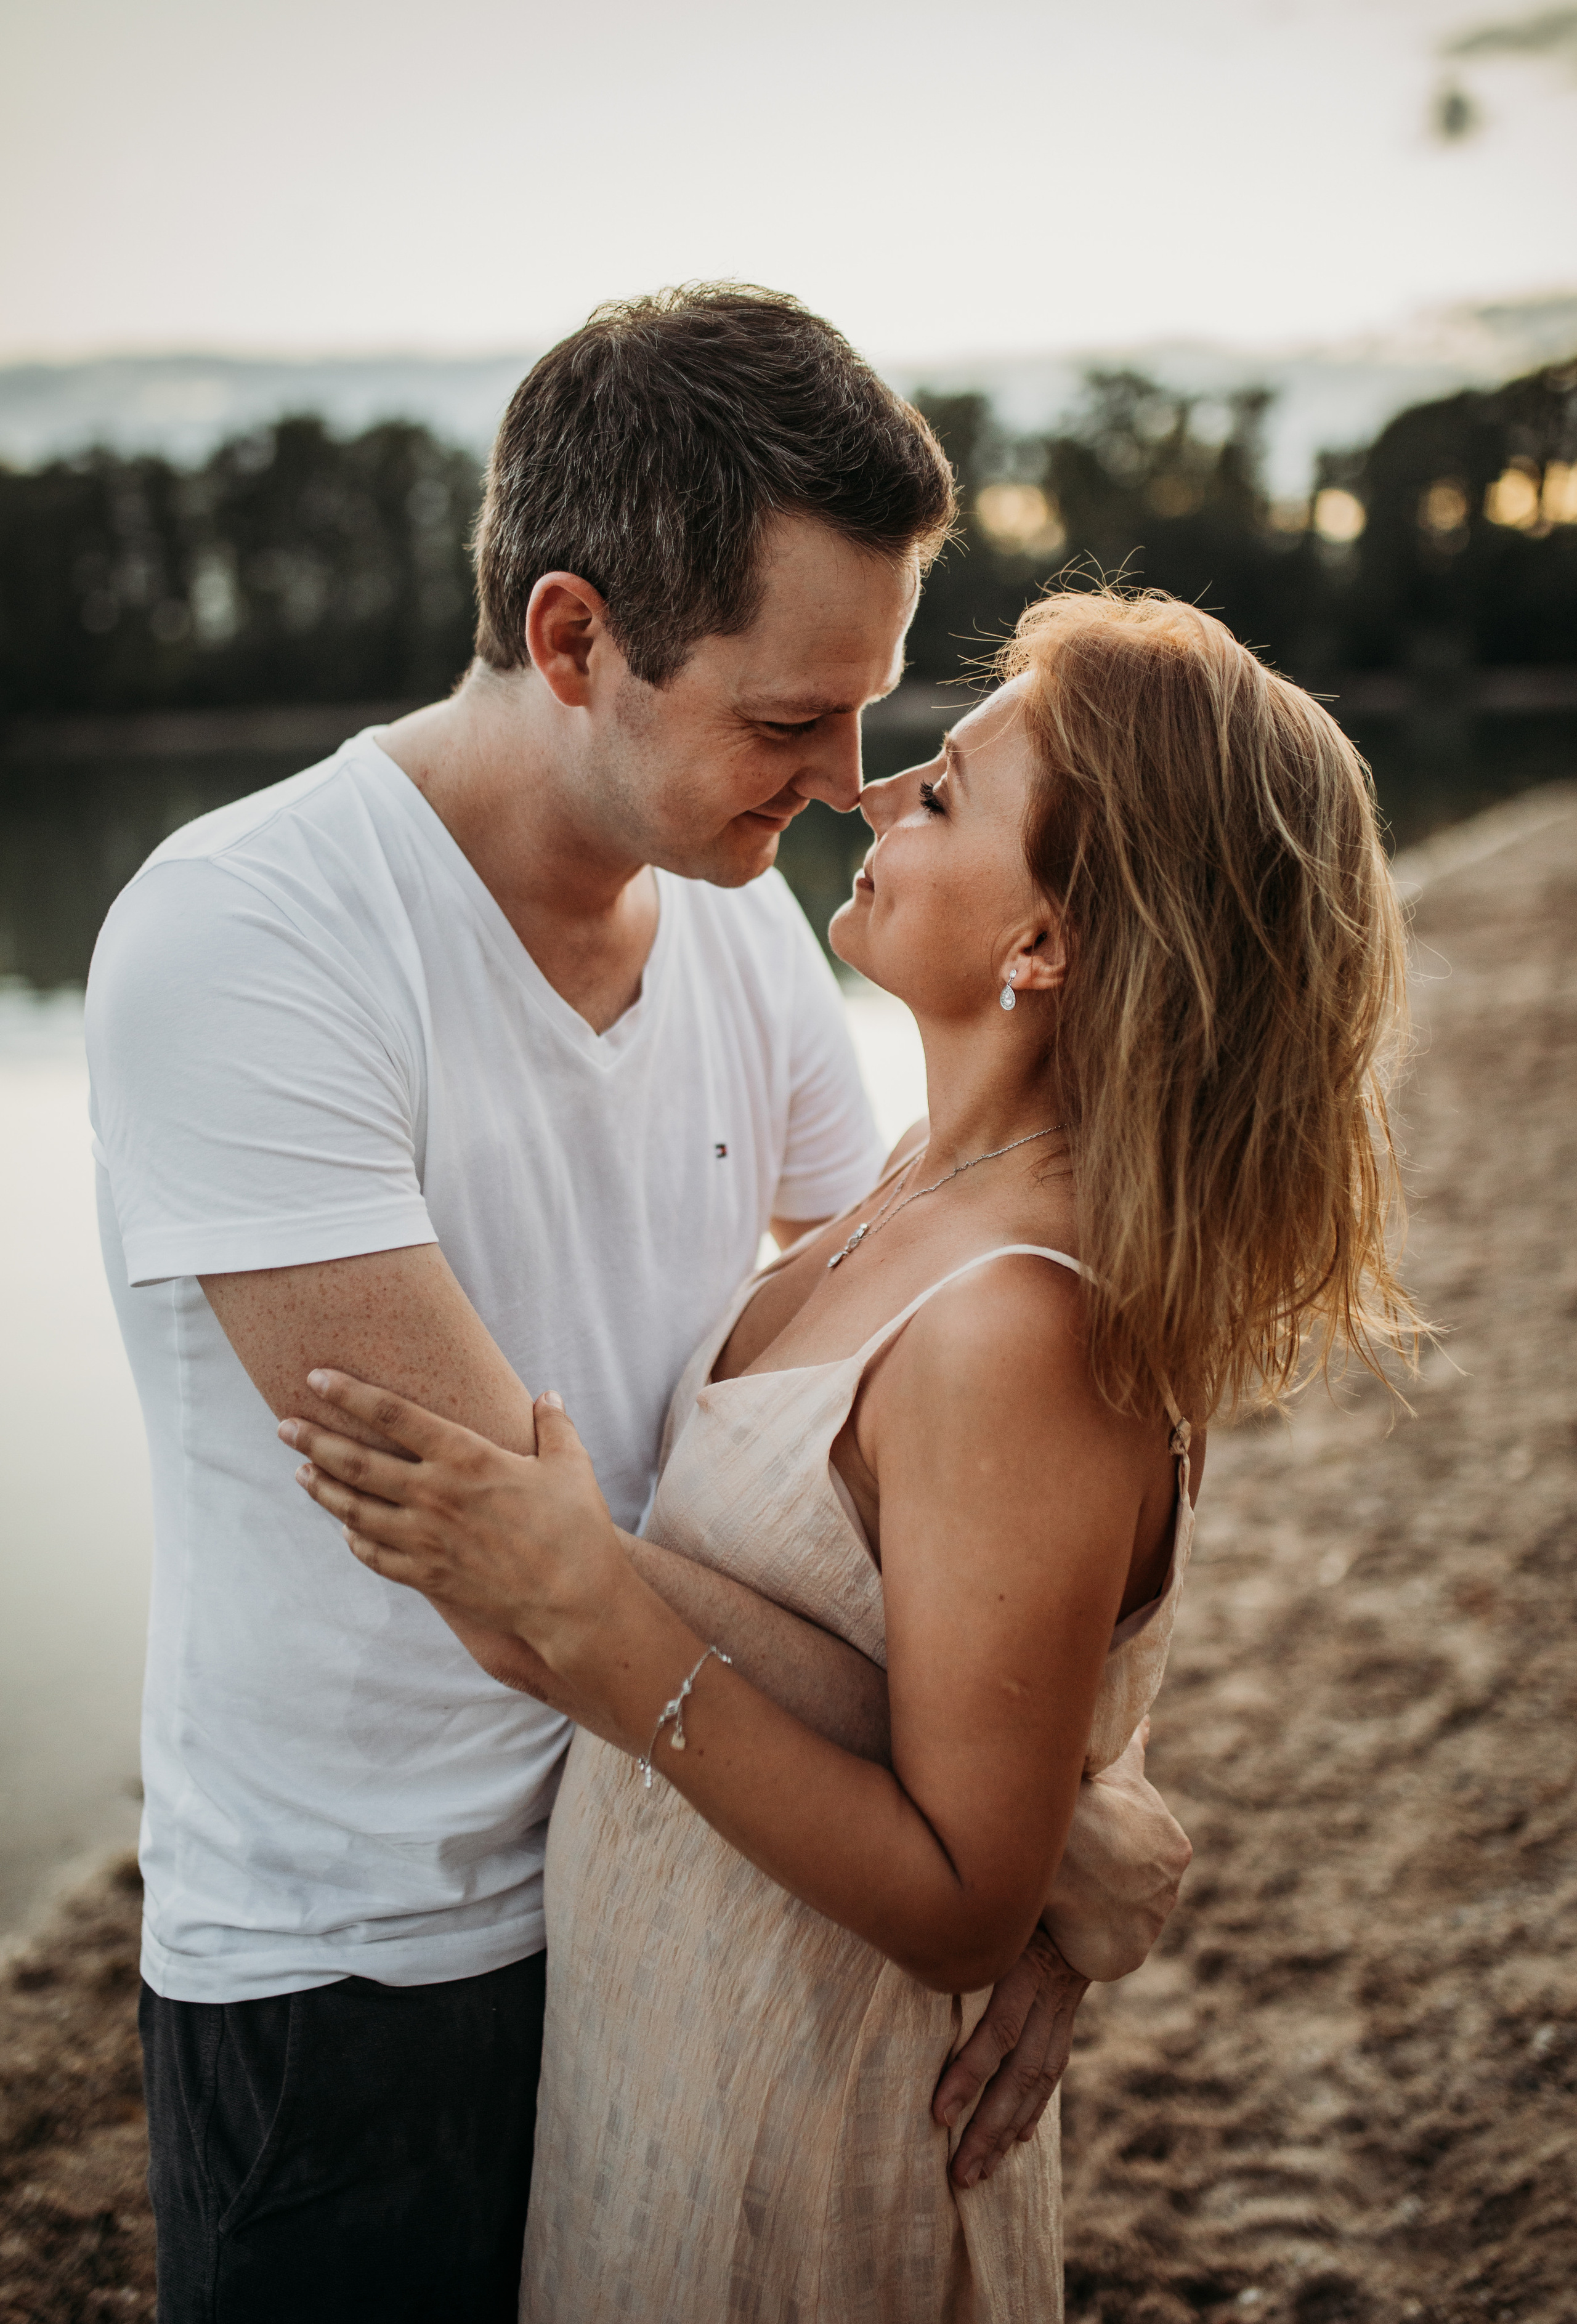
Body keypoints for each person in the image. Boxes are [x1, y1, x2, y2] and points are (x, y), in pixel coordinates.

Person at [85, 288, 1188, 2323]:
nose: (846, 782)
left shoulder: (737, 920)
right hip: (374, 1971)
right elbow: (513, 1579)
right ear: (576, 638)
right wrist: (1029, 1836)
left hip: (720, 1894)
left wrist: (1031, 1800)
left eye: (868, 714)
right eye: (787, 719)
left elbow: (947, 1397)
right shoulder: (253, 943)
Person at [285, 584, 1419, 2322]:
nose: (874, 792)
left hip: (808, 2125)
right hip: (686, 2056)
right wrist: (1089, 1819)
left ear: (1047, 945)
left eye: (943, 793)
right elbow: (981, 1658)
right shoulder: (921, 1177)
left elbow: (962, 1902)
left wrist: (596, 1605)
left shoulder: (1015, 1326)